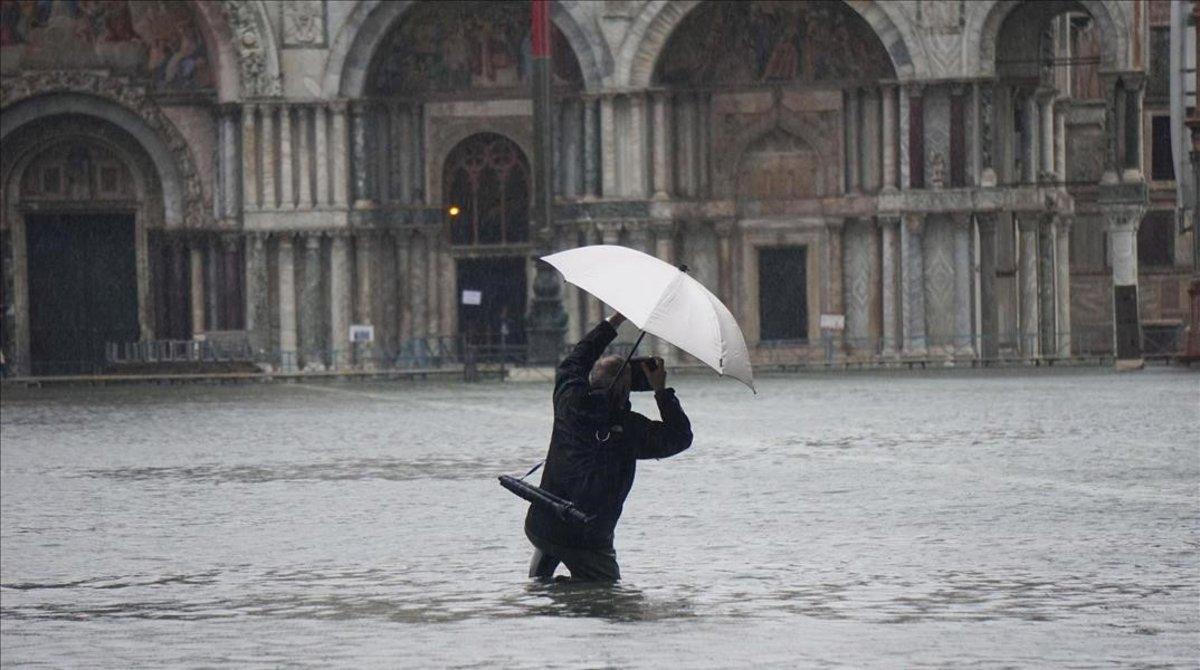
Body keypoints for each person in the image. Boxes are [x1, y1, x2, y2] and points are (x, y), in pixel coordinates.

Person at [524, 311, 693, 581]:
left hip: (543, 523)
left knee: (542, 580)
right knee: (608, 597)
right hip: (589, 539)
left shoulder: (568, 401)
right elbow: (680, 437)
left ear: (591, 378)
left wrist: (614, 322)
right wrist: (661, 391)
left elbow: (576, 360)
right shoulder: (631, 430)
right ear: (626, 390)